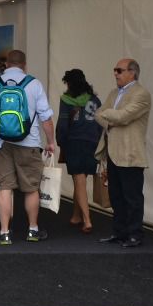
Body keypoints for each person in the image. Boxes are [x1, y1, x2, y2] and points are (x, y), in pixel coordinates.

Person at [0, 49, 57, 245]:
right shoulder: (34, 84)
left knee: (5, 186)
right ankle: (32, 230)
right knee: (31, 188)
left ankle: (4, 232)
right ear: (24, 65)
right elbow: (45, 117)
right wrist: (51, 141)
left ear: (6, 65)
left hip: (2, 143)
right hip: (29, 143)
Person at [95, 58, 153, 247]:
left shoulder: (141, 94)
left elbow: (124, 116)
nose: (115, 74)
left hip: (131, 154)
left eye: (119, 70)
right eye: (115, 70)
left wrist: (109, 115)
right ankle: (119, 232)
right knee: (116, 196)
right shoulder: (114, 93)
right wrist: (112, 117)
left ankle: (135, 234)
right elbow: (98, 114)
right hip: (113, 152)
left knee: (133, 197)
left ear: (132, 73)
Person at [57, 68, 102, 233]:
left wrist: (60, 142)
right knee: (81, 180)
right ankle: (76, 216)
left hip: (74, 142)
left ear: (69, 83)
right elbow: (100, 122)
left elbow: (62, 124)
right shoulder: (95, 100)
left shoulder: (66, 100)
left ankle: (87, 220)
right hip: (91, 143)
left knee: (79, 179)